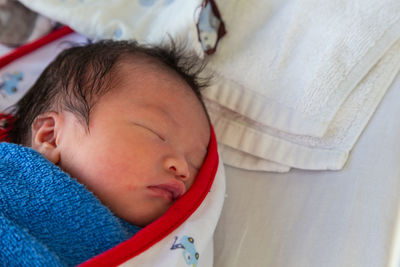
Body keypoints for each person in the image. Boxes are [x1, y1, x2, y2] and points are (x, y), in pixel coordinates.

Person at [0, 40, 211, 265]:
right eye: (155, 133)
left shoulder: (168, 249)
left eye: (195, 162)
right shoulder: (9, 174)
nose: (183, 168)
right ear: (50, 136)